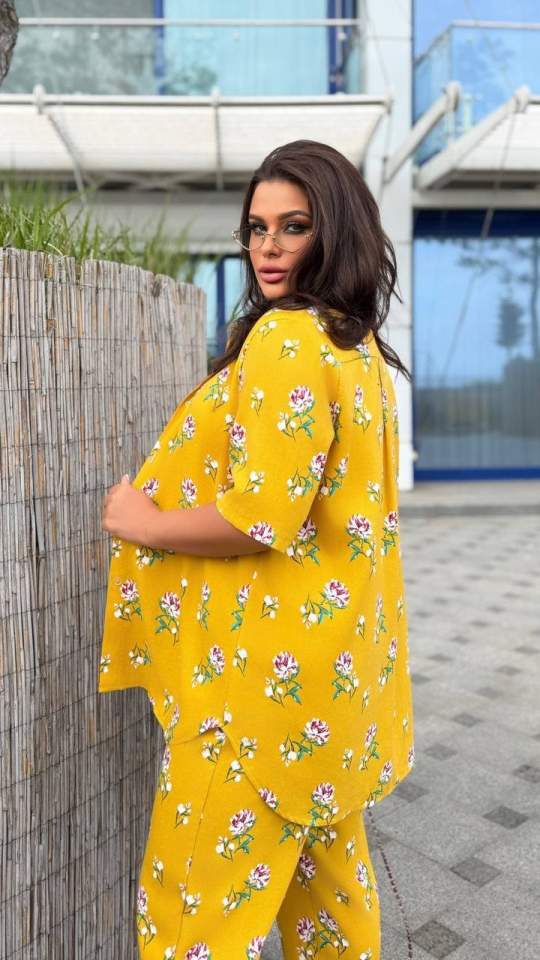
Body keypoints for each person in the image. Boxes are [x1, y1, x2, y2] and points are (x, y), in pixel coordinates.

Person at [99, 139, 415, 960]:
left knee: (188, 929)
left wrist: (142, 522)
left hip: (251, 697)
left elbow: (258, 517)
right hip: (331, 691)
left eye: (294, 226)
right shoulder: (360, 351)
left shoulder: (288, 340)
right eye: (256, 228)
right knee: (330, 924)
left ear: (335, 231)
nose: (268, 247)